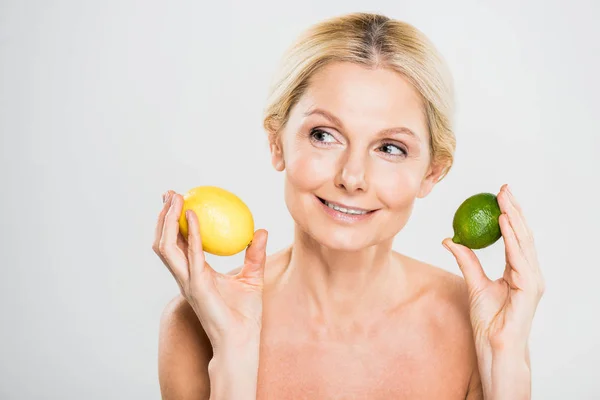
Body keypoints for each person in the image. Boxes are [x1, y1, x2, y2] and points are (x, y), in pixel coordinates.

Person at [152, 12, 545, 400]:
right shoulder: (196, 323)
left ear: (432, 172)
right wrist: (234, 353)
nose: (352, 176)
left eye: (391, 148)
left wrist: (505, 364)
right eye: (325, 135)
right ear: (277, 142)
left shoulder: (481, 328)